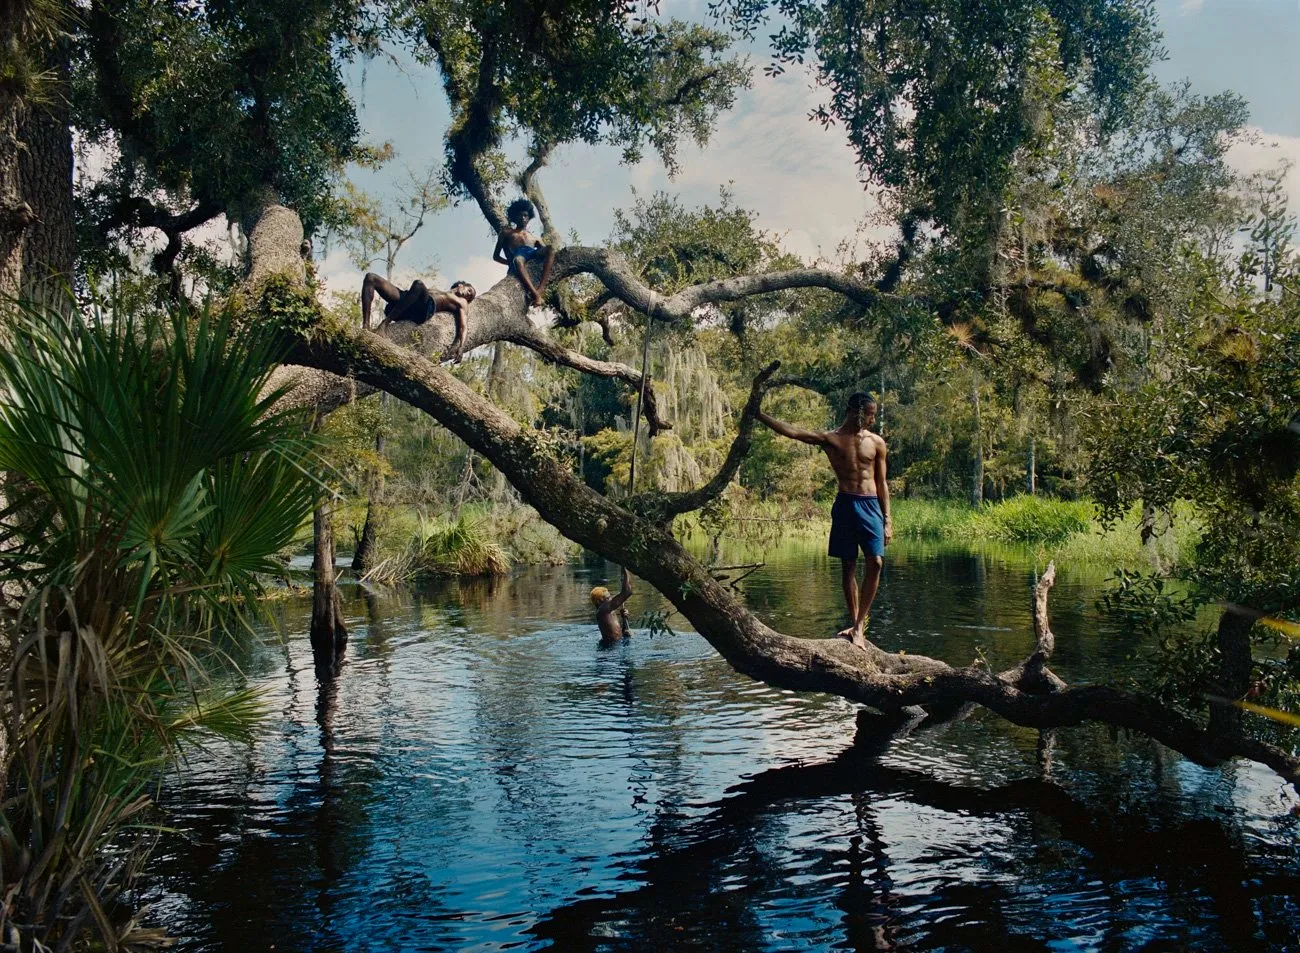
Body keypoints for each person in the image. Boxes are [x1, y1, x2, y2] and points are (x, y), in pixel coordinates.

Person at [757, 392, 892, 646]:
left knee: (875, 562)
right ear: (856, 412)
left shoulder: (876, 442)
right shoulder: (831, 439)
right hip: (845, 504)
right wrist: (759, 415)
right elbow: (794, 432)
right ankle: (855, 626)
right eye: (871, 414)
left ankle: (859, 624)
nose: (873, 419)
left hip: (871, 505)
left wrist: (887, 519)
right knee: (848, 565)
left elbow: (881, 482)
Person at [360, 274, 477, 362]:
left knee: (419, 284)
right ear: (462, 285)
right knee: (371, 278)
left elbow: (463, 327)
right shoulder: (440, 291)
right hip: (408, 300)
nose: (469, 295)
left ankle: (384, 324)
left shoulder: (462, 302)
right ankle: (366, 326)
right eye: (470, 291)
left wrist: (461, 347)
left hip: (424, 309)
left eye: (470, 297)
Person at [493, 198, 555, 307]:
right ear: (514, 217)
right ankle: (535, 294)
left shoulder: (534, 237)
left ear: (529, 217)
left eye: (525, 215)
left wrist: (545, 250)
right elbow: (496, 256)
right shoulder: (507, 232)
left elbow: (544, 251)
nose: (523, 218)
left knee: (551, 249)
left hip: (532, 253)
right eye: (520, 215)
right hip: (518, 256)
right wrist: (509, 262)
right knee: (517, 260)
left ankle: (540, 289)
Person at [591, 567, 633, 645]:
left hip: (615, 645)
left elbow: (618, 633)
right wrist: (626, 569)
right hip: (610, 648)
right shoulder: (603, 609)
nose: (611, 599)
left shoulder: (607, 611)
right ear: (599, 601)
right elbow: (627, 591)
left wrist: (625, 619)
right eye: (608, 598)